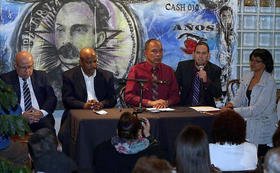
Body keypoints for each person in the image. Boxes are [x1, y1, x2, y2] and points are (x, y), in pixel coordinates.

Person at [222, 48, 277, 157]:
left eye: (257, 61)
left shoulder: (269, 82)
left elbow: (258, 109)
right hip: (248, 119)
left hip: (262, 123)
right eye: (251, 60)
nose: (253, 63)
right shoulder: (248, 76)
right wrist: (231, 104)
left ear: (265, 64)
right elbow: (239, 97)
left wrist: (234, 111)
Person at [0, 51, 57, 132]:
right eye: (23, 67)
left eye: (30, 67)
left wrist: (41, 113)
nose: (27, 71)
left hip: (40, 118)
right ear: (15, 65)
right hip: (17, 119)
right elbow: (4, 104)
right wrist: (21, 115)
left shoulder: (41, 76)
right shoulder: (6, 79)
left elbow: (51, 98)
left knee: (48, 133)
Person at [93, 112, 166, 173]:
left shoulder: (101, 150)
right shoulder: (154, 153)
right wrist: (148, 135)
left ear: (117, 131)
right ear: (139, 132)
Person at [61, 47, 116, 117]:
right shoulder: (69, 76)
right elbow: (67, 100)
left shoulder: (107, 76)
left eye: (95, 61)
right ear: (81, 62)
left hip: (102, 113)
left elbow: (112, 99)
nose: (93, 65)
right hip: (79, 112)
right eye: (89, 62)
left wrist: (101, 104)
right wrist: (84, 105)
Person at [125, 39, 179, 108]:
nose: (158, 54)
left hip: (165, 111)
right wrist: (150, 103)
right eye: (154, 51)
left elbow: (175, 96)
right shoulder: (136, 70)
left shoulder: (169, 71)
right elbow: (128, 97)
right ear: (145, 53)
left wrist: (167, 102)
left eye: (160, 51)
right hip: (143, 111)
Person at [175, 42, 222, 107]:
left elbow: (218, 94)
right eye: (198, 53)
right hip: (185, 107)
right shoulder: (183, 67)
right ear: (193, 54)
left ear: (208, 56)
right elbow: (174, 88)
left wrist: (207, 81)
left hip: (206, 108)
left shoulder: (215, 70)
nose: (200, 56)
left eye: (204, 53)